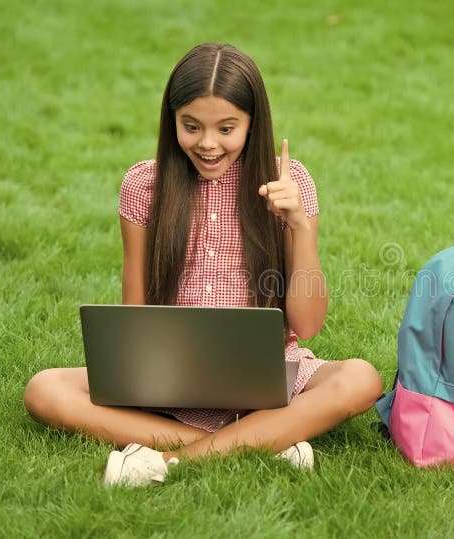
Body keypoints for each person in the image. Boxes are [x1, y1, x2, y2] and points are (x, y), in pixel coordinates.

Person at [23, 43, 383, 487]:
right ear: (171, 120)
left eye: (227, 128)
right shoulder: (143, 185)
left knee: (361, 379)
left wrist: (300, 228)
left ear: (253, 124)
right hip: (170, 378)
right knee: (44, 390)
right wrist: (142, 375)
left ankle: (172, 459)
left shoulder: (289, 183)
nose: (208, 144)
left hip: (269, 377)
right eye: (191, 126)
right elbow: (134, 311)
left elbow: (307, 325)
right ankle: (263, 441)